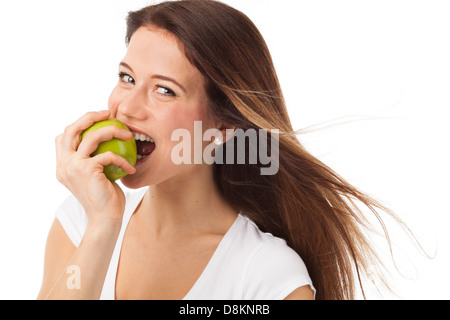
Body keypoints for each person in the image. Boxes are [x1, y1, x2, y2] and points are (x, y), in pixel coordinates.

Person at [38, 0, 407, 300]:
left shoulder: (266, 275)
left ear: (224, 128)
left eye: (164, 90)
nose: (127, 108)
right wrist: (102, 226)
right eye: (127, 78)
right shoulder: (81, 221)